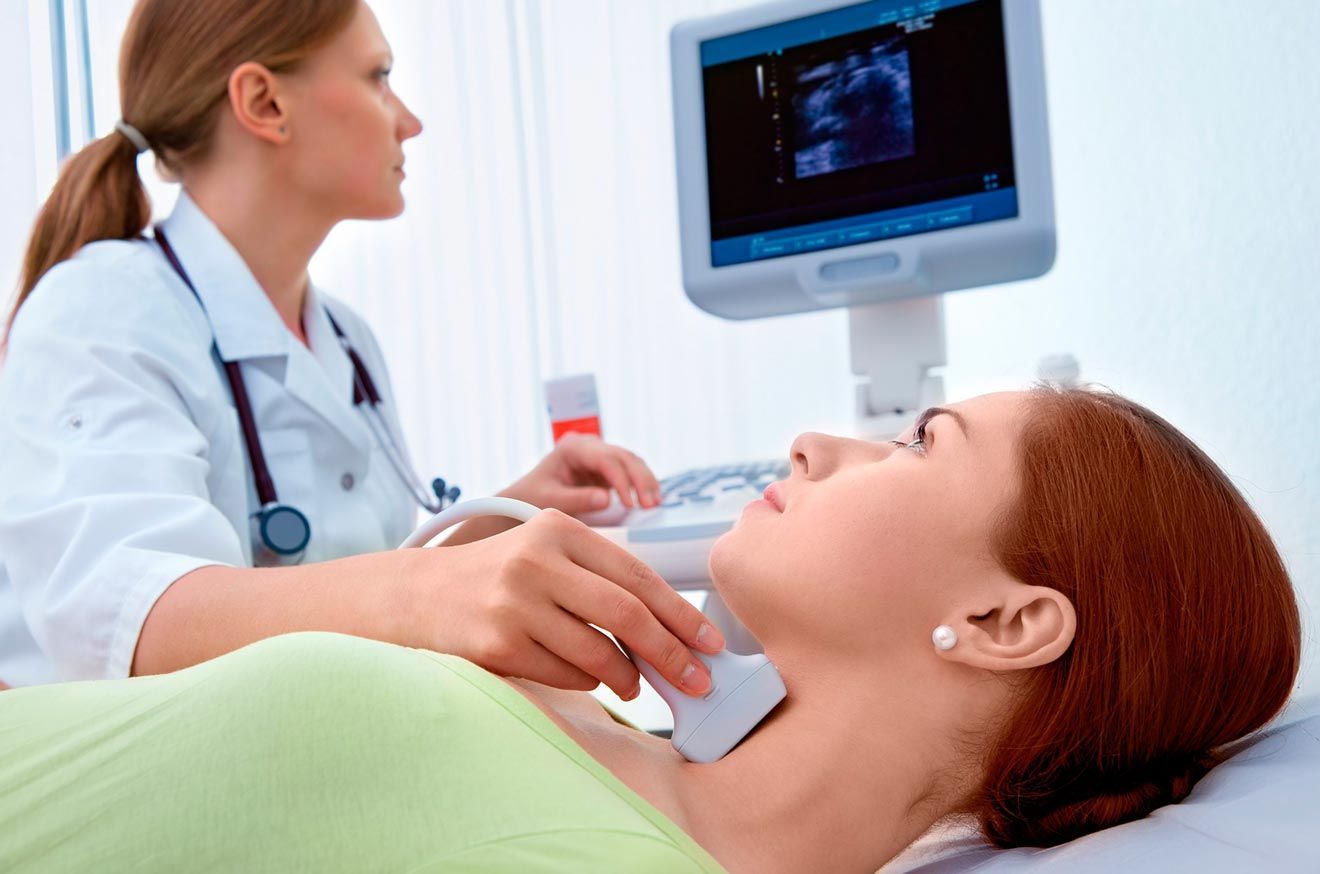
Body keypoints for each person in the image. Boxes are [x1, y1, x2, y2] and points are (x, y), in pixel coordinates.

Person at [0, 387, 1301, 872]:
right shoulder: (628, 726)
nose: (811, 441)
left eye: (918, 439)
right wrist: (448, 570)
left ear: (1008, 616)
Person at [0, 0, 727, 700]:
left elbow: (335, 593)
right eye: (378, 77)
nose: (410, 121)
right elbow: (133, 628)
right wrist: (436, 589)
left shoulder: (344, 337)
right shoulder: (100, 308)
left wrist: (512, 509)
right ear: (264, 102)